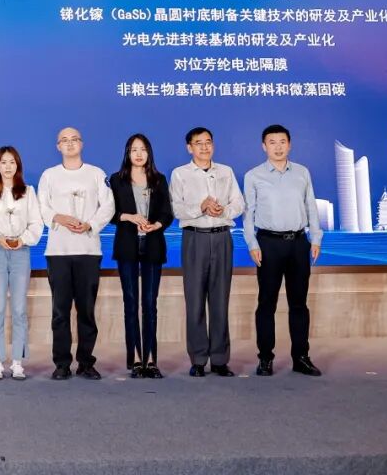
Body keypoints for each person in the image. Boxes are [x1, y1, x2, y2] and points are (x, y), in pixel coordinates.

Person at [243, 124, 323, 378]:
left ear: (289, 144)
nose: (278, 147)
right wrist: (252, 243)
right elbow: (248, 214)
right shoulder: (253, 176)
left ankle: (301, 357)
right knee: (266, 303)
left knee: (299, 303)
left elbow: (311, 206)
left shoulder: (302, 172)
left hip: (299, 243)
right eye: (272, 142)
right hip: (268, 243)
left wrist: (316, 238)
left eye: (282, 142)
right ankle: (265, 358)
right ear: (263, 146)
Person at [37, 127, 115, 381]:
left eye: (74, 140)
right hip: (58, 252)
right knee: (60, 311)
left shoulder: (96, 174)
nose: (69, 144)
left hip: (88, 251)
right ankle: (61, 363)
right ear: (57, 146)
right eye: (64, 140)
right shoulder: (49, 175)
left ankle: (86, 362)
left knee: (86, 310)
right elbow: (41, 206)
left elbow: (109, 206)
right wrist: (58, 217)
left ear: (82, 144)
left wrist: (90, 224)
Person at [170, 127, 244, 378]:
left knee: (220, 300)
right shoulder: (180, 174)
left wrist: (223, 211)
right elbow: (176, 209)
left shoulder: (226, 171)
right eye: (198, 143)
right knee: (195, 301)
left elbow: (239, 203)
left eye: (208, 142)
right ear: (189, 147)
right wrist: (200, 207)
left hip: (222, 237)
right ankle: (199, 359)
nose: (204, 147)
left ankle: (220, 359)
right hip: (195, 238)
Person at [108, 133, 173, 379]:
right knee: (131, 303)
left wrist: (156, 225)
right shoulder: (117, 180)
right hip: (127, 245)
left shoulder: (159, 179)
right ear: (127, 153)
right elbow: (109, 213)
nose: (138, 154)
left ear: (149, 153)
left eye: (143, 149)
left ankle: (151, 360)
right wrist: (129, 217)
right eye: (134, 149)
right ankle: (135, 359)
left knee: (150, 304)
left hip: (153, 245)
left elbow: (167, 213)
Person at [0, 146, 43, 381]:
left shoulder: (28, 192)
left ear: (18, 166)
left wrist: (22, 240)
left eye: (12, 162)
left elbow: (36, 223)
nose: (8, 166)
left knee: (19, 309)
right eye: (3, 162)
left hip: (21, 252)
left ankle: (17, 361)